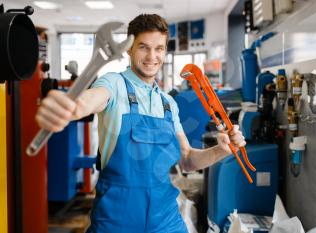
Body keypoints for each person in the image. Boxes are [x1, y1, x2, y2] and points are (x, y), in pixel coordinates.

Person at [36, 14, 246, 233]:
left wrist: (222, 150)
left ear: (165, 51)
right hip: (116, 220)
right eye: (143, 47)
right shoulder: (114, 83)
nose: (152, 56)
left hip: (164, 219)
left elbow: (187, 160)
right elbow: (89, 101)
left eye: (159, 48)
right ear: (129, 49)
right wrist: (70, 107)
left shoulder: (168, 103)